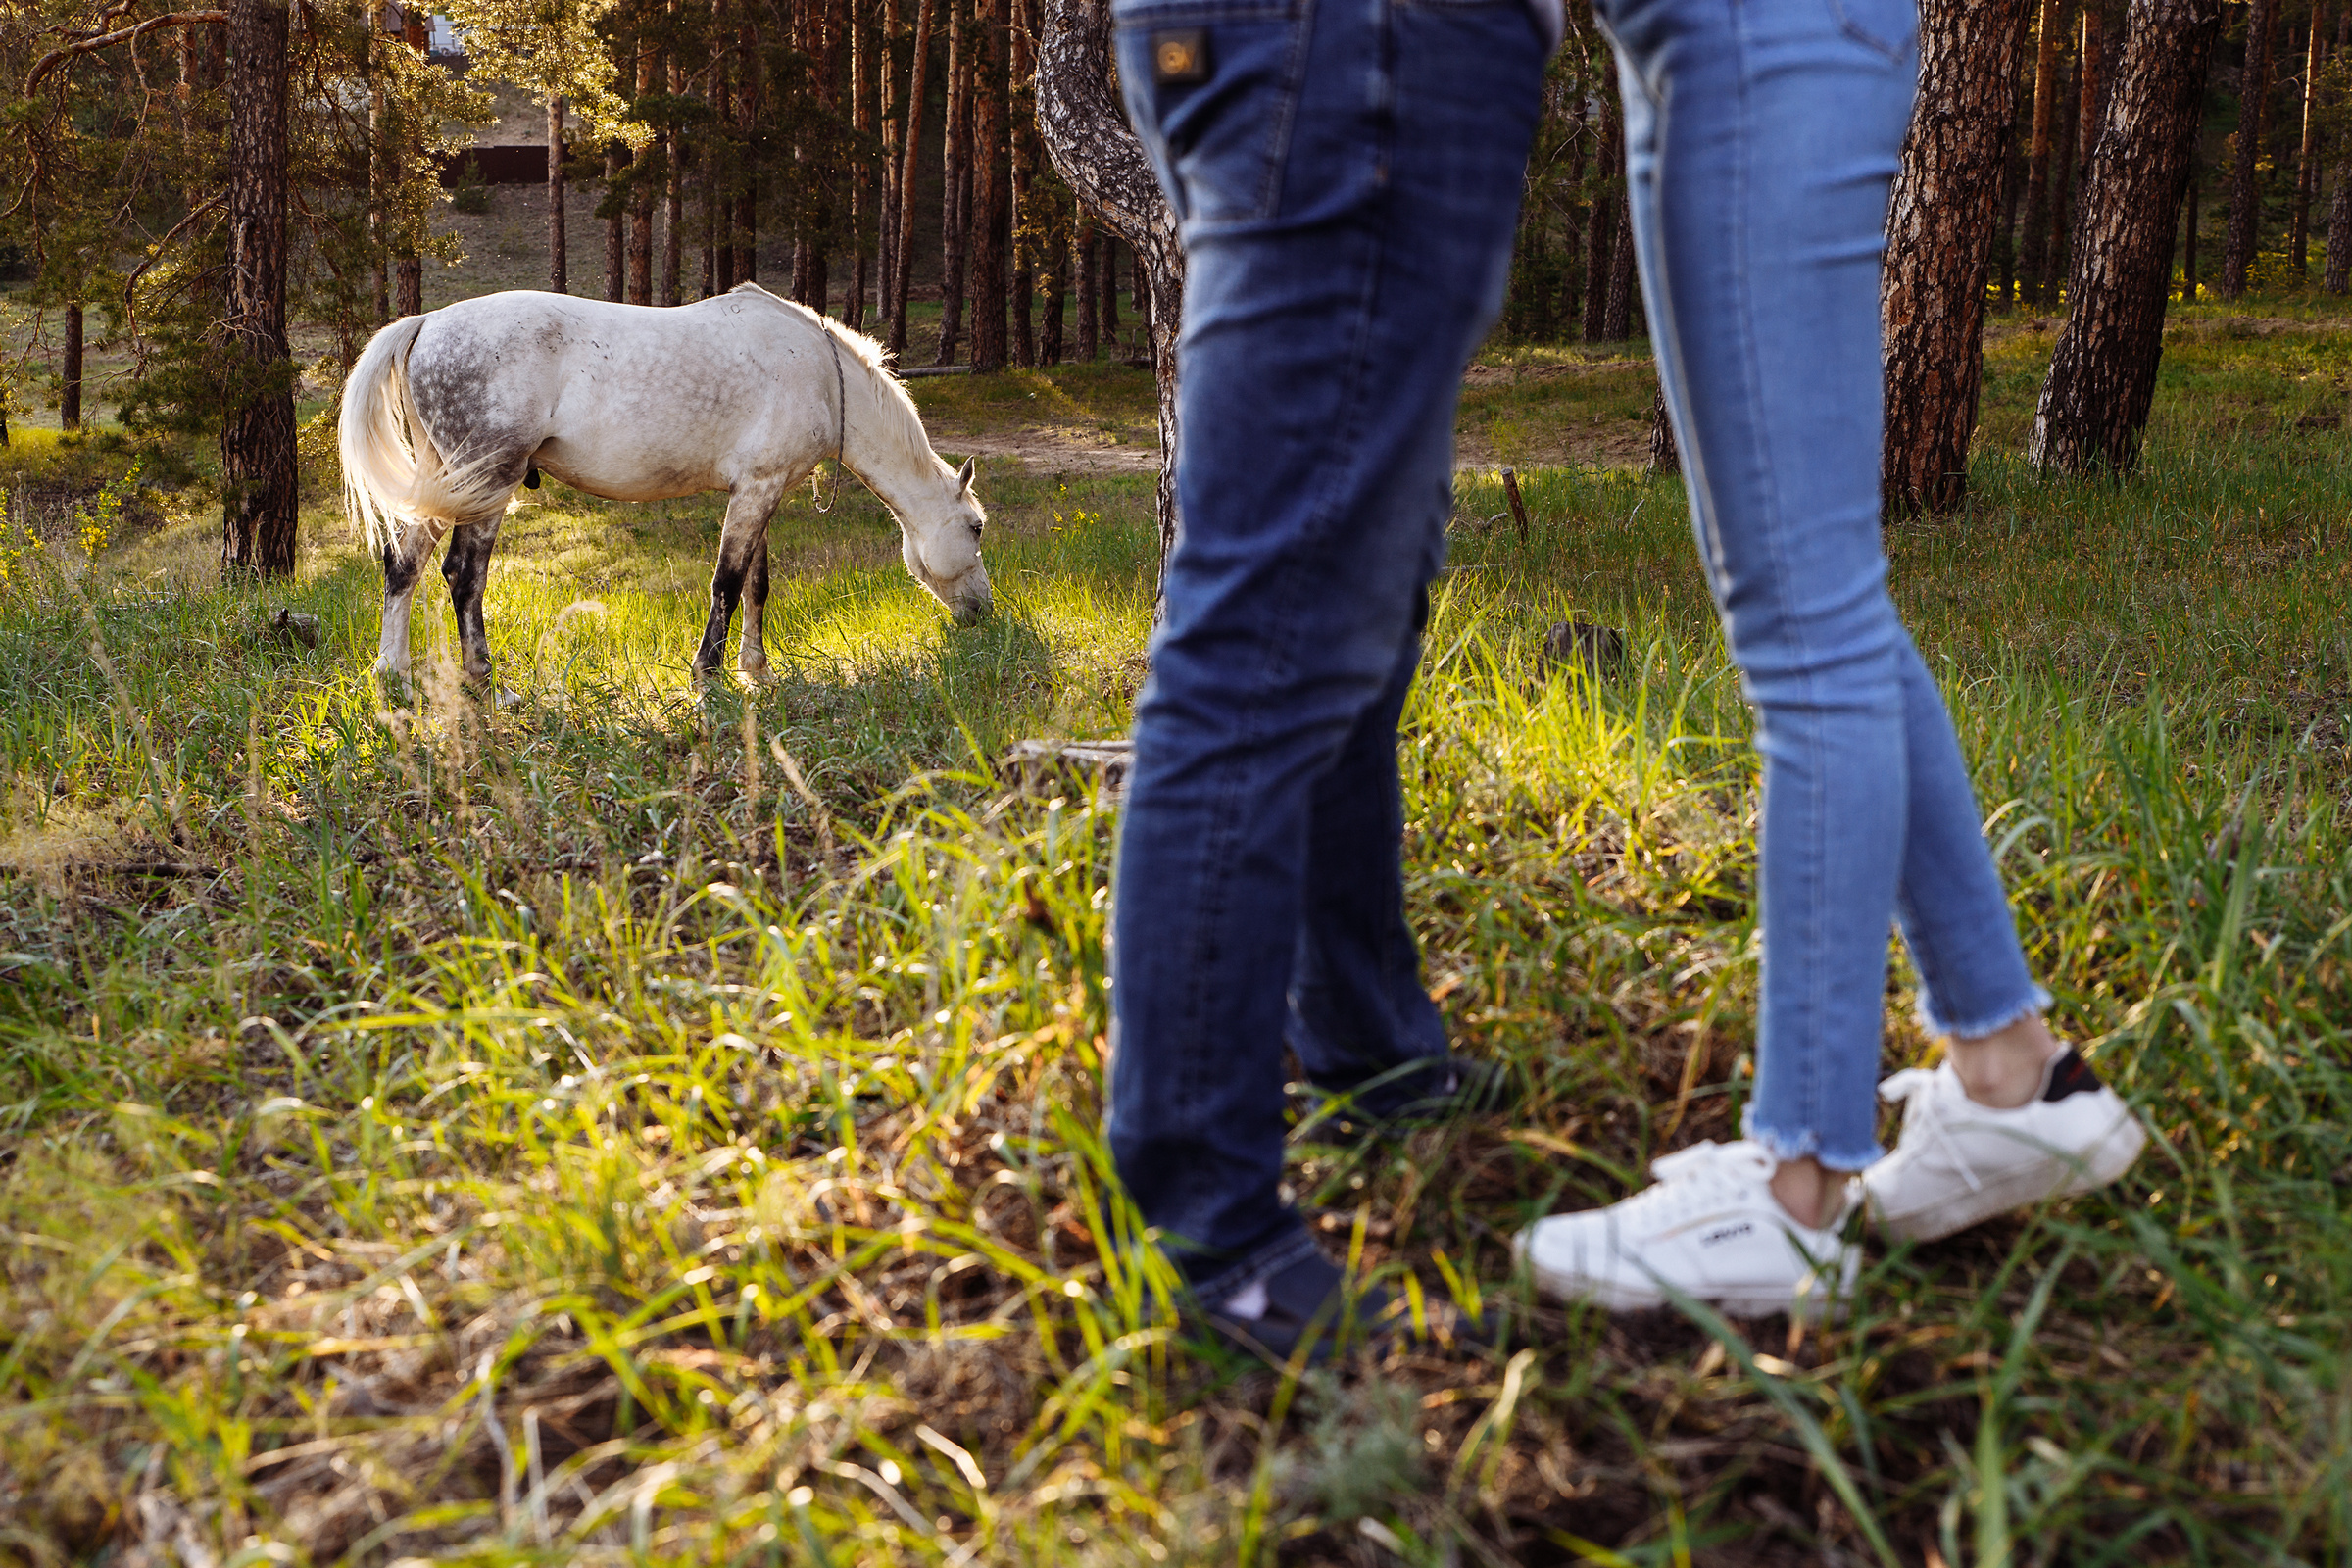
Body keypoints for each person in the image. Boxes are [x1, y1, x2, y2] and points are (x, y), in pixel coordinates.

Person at [1515, 0, 2146, 1315]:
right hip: (1720, 39)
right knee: (1820, 604)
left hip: (1753, 32)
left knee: (1805, 628)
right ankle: (2014, 1077)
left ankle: (1792, 1195)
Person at [1103, 0, 1558, 1355]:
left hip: (1317, 43)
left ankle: (1365, 1040)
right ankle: (1216, 1234)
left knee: (1366, 563)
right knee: (1271, 622)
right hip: (1360, 41)